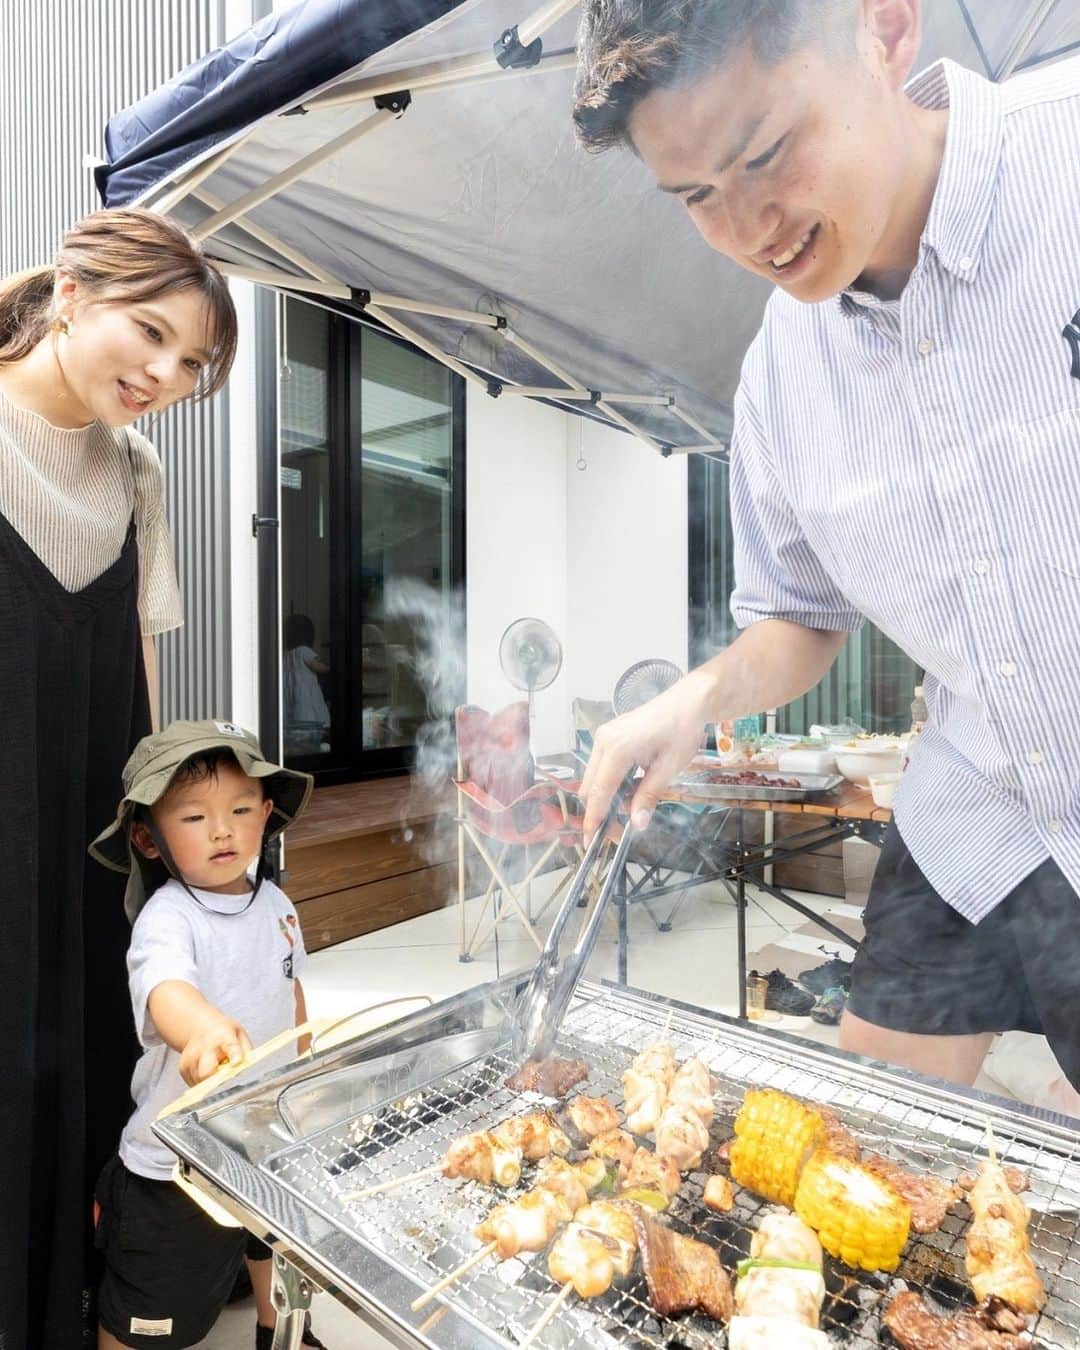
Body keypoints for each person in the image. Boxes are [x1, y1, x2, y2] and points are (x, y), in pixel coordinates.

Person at [573, 0, 1080, 1094]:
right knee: (873, 1147)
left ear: (885, 30)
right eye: (696, 195)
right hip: (977, 805)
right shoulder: (781, 381)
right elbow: (801, 616)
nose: (750, 225)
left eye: (766, 152)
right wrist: (691, 700)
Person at [0, 208, 237, 1347]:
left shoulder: (137, 474)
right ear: (74, 295)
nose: (166, 375)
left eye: (191, 363)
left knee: (81, 1084)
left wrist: (197, 850)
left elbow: (142, 713)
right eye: (151, 334)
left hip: (89, 857)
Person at [88, 719, 326, 1350]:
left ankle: (278, 1328)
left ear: (267, 813)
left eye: (240, 808)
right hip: (178, 1163)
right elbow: (167, 987)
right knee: (151, 1298)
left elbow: (289, 987)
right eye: (193, 817)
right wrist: (203, 1030)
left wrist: (302, 1064)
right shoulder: (170, 917)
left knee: (269, 1231)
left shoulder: (276, 904)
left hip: (260, 1131)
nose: (222, 829)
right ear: (147, 837)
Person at [284, 612, 331, 749]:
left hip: (293, 710)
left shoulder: (286, 655)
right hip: (306, 709)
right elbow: (320, 667)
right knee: (314, 732)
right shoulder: (303, 651)